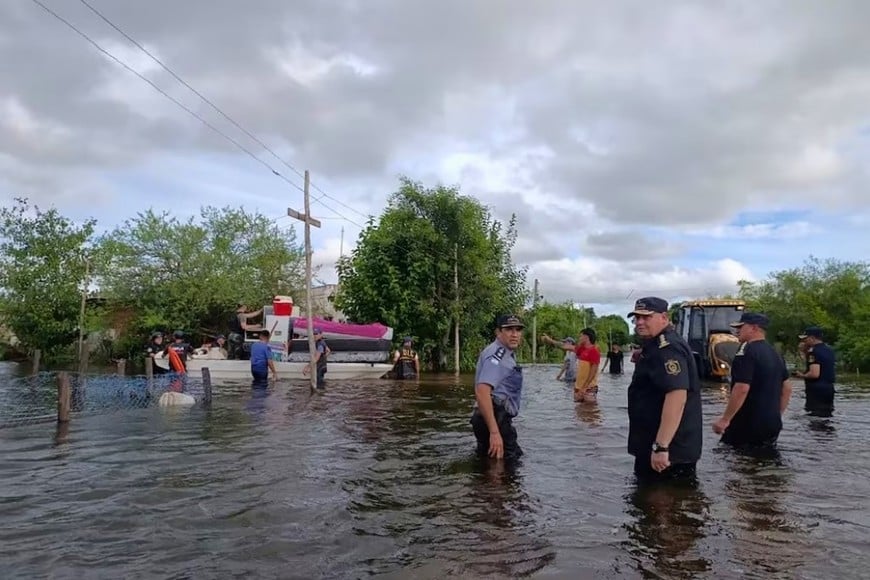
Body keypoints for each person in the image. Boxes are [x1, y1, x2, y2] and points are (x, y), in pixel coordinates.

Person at [627, 297, 703, 483]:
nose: (639, 322)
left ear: (663, 317)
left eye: (646, 317)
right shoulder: (656, 345)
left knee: (663, 504)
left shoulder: (667, 348)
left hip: (669, 452)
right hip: (661, 446)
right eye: (636, 318)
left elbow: (677, 395)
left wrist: (661, 446)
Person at [711, 312, 793, 448]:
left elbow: (742, 388)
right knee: (766, 460)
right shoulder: (775, 353)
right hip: (772, 423)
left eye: (741, 327)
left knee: (734, 460)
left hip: (747, 423)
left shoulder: (746, 351)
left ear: (754, 328)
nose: (737, 331)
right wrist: (776, 415)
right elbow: (787, 388)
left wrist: (725, 420)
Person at [470, 314, 525, 460]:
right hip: (495, 419)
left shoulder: (504, 353)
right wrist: (494, 433)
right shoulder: (497, 356)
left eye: (518, 330)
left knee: (490, 464)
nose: (514, 334)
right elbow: (482, 391)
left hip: (490, 418)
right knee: (509, 470)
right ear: (498, 332)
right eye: (509, 330)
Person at [542, 328, 600, 402]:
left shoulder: (594, 351)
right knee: (578, 411)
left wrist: (584, 388)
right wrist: (550, 340)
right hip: (578, 387)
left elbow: (593, 371)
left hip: (589, 387)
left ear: (586, 337)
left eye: (581, 336)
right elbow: (564, 346)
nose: (579, 338)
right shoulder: (581, 349)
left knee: (590, 411)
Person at [794, 326, 836, 416]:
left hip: (816, 391)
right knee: (827, 415)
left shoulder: (813, 352)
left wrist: (801, 375)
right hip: (829, 389)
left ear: (812, 338)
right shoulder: (829, 350)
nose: (804, 341)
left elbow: (814, 374)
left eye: (805, 338)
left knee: (814, 417)